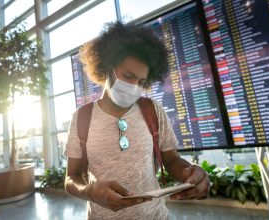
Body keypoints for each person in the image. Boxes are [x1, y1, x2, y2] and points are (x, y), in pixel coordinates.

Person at [64, 21, 210, 220]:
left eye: (141, 82)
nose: (134, 86)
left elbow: (171, 160)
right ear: (107, 67)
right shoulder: (82, 118)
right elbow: (71, 178)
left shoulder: (152, 110)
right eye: (128, 76)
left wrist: (190, 173)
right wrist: (88, 191)